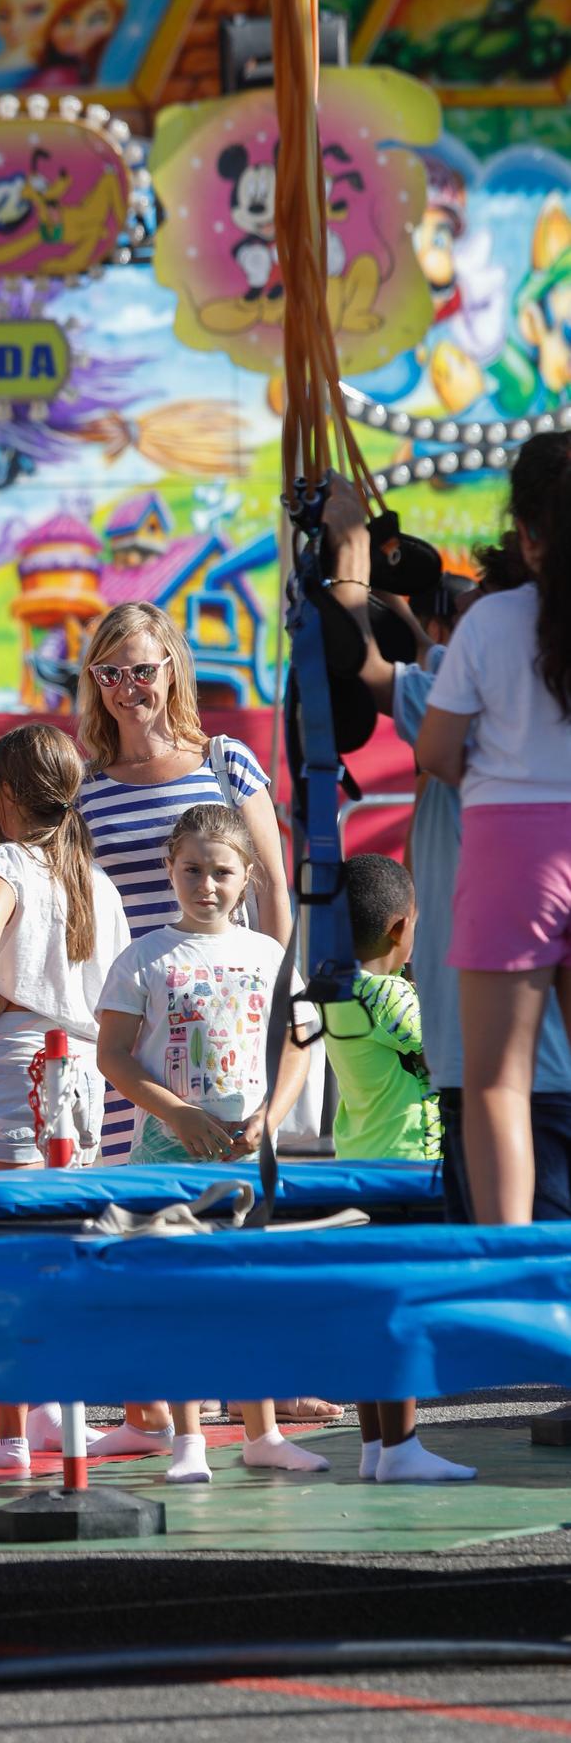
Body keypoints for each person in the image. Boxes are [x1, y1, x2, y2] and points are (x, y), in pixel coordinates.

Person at [78, 601, 337, 1432]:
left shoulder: (225, 763)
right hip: (138, 1018)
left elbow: (273, 883)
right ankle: (150, 1387)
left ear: (171, 670)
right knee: (144, 1212)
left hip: (234, 1012)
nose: (128, 688)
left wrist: (291, 1004)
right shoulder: (85, 791)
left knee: (253, 1204)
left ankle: (270, 1381)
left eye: (142, 669)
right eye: (110, 672)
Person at [324, 483, 571, 1223]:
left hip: (506, 1072)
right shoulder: (527, 690)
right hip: (537, 1070)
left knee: (519, 1270)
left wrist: (347, 549)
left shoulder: (470, 698)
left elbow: (359, 657)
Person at [97, 804, 328, 1486]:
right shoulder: (143, 957)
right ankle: (188, 1440)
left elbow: (298, 1043)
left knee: (248, 1295)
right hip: (166, 1164)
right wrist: (175, 1112)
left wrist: (269, 1114)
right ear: (169, 868)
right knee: (181, 1299)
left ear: (246, 877)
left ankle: (263, 1433)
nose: (205, 885)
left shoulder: (267, 956)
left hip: (248, 1159)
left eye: (220, 872)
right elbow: (113, 1055)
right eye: (191, 870)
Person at [0, 722, 128, 1471]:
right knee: (61, 1246)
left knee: (5, 1253)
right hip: (81, 1065)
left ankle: (10, 1433)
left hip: (17, 1059)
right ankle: (65, 1411)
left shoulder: (6, 862)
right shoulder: (91, 875)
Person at [416, 434, 571, 1225]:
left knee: (496, 1081)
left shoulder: (491, 621)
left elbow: (436, 749)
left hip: (512, 844)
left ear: (527, 535)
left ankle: (505, 1271)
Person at [323, 854, 475, 1484]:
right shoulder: (386, 996)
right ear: (398, 928)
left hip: (358, 1165)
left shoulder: (338, 989)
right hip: (405, 1173)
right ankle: (403, 1447)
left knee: (370, 1310)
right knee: (403, 1307)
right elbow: (448, 1040)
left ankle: (374, 1448)